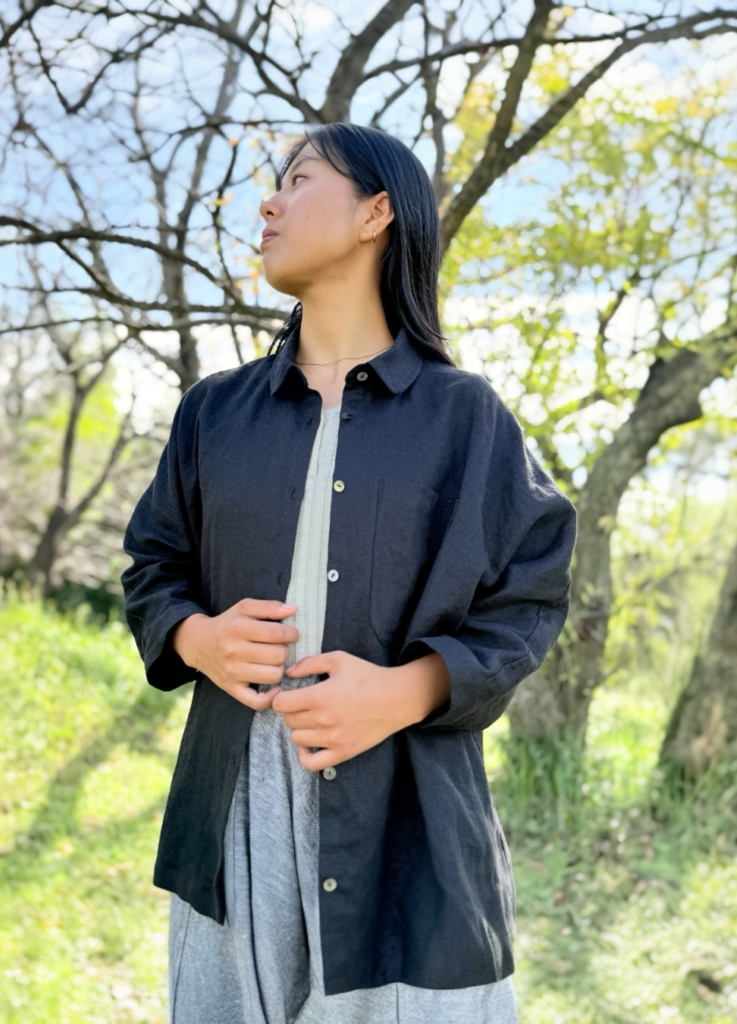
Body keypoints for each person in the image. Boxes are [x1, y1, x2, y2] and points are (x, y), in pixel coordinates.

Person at [120, 122, 578, 1024]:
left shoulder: (466, 417)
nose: (269, 202)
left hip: (408, 822)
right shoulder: (214, 413)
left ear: (377, 212)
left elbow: (531, 592)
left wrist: (411, 689)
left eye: (298, 179)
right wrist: (197, 637)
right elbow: (152, 565)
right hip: (232, 807)